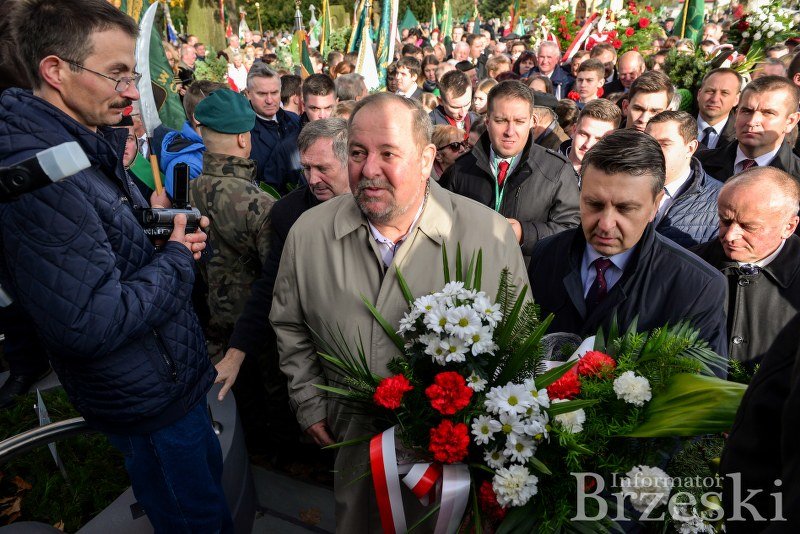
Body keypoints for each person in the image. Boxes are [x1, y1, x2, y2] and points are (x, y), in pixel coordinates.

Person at [0, 0, 232, 530]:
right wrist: (178, 258)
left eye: (133, 76)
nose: (130, 93)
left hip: (164, 380)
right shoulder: (43, 177)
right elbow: (90, 319)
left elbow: (99, 243)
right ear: (55, 71)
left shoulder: (74, 146)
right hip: (147, 398)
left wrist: (159, 229)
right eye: (117, 74)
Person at [270, 93, 529, 533]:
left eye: (388, 153)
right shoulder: (309, 234)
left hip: (453, 462)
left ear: (427, 159)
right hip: (353, 447)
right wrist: (310, 402)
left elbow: (518, 344)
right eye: (357, 153)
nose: (369, 169)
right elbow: (290, 324)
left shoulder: (488, 234)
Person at [528, 130, 728, 358]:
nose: (606, 224)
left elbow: (700, 378)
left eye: (625, 208)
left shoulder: (697, 287)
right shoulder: (547, 254)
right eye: (594, 204)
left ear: (655, 205)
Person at [224, 118, 350, 462]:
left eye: (323, 168)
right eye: (306, 168)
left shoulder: (377, 205)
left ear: (350, 161)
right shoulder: (289, 213)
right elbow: (271, 286)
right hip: (316, 351)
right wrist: (237, 352)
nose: (312, 179)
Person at [704, 168, 800, 531]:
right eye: (724, 219)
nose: (731, 235)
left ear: (789, 226)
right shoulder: (692, 268)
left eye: (749, 226)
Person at [188, 89, 275, 454]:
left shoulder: (188, 191)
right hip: (256, 338)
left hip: (208, 333)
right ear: (243, 137)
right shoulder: (259, 203)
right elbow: (276, 277)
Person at [442, 81, 580, 263]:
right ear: (487, 121)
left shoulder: (557, 171)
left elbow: (572, 232)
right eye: (501, 121)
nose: (510, 131)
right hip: (471, 275)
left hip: (528, 278)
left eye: (519, 121)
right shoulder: (460, 169)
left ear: (532, 122)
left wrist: (524, 234)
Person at [697, 76, 800, 182]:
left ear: (790, 121)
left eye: (768, 113)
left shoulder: (796, 178)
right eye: (746, 111)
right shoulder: (698, 165)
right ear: (736, 113)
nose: (752, 122)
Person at [645, 110, 722, 248]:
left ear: (690, 148)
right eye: (648, 143)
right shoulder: (624, 183)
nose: (652, 151)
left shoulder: (719, 200)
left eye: (664, 144)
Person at [160, 80, 227, 195]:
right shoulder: (186, 166)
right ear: (199, 117)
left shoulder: (217, 145)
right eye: (223, 112)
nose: (231, 117)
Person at [246, 64, 301, 186]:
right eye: (262, 94)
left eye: (274, 93)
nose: (269, 100)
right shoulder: (242, 132)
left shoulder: (295, 120)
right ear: (248, 93)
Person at [560, 98, 621, 175]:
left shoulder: (613, 176)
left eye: (599, 139)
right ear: (574, 130)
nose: (588, 145)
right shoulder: (548, 162)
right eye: (584, 134)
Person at [696, 68, 741, 149]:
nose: (715, 99)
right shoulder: (676, 125)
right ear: (699, 94)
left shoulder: (741, 137)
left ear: (736, 99)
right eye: (710, 91)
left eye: (724, 93)